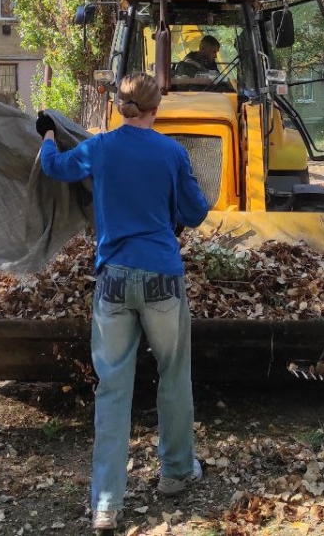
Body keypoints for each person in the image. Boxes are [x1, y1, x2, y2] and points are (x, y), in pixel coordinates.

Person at [38, 73, 211, 533]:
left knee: (112, 388)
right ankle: (176, 473)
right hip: (161, 278)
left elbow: (55, 168)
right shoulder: (172, 152)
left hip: (112, 280)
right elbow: (196, 213)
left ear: (118, 106)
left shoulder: (99, 148)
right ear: (157, 108)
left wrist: (49, 136)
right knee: (173, 375)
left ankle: (107, 503)